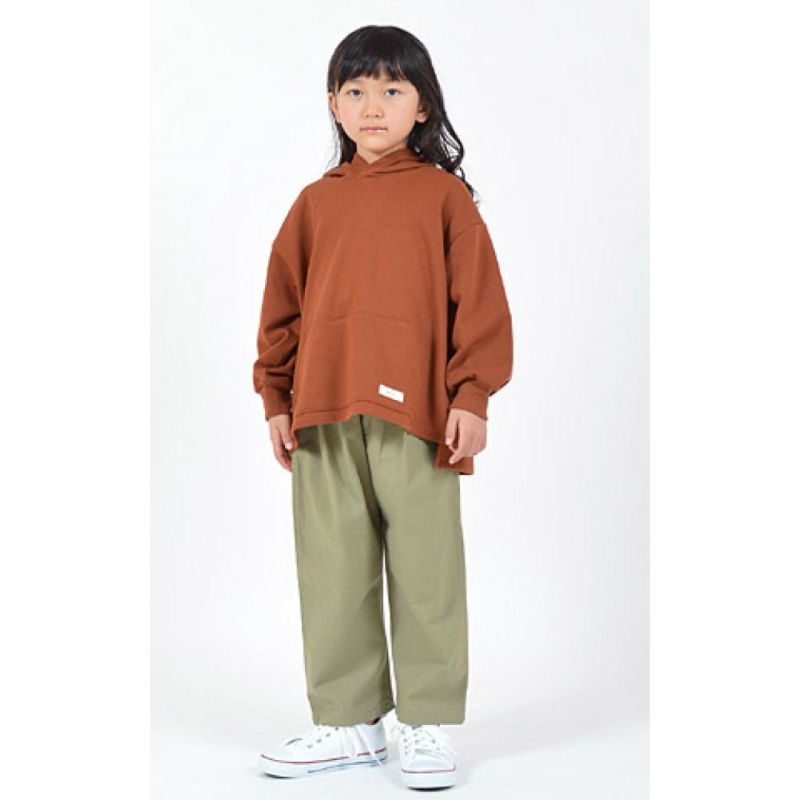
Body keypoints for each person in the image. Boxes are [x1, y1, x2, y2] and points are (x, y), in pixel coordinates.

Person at [252, 25, 513, 790]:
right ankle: (350, 724)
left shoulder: (443, 198)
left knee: (428, 570)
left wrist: (473, 396)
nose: (373, 106)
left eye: (392, 90)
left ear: (422, 106)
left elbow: (480, 306)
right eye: (357, 90)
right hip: (322, 413)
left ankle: (426, 723)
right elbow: (282, 310)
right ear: (334, 105)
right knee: (332, 569)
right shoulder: (314, 204)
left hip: (419, 416)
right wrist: (275, 397)